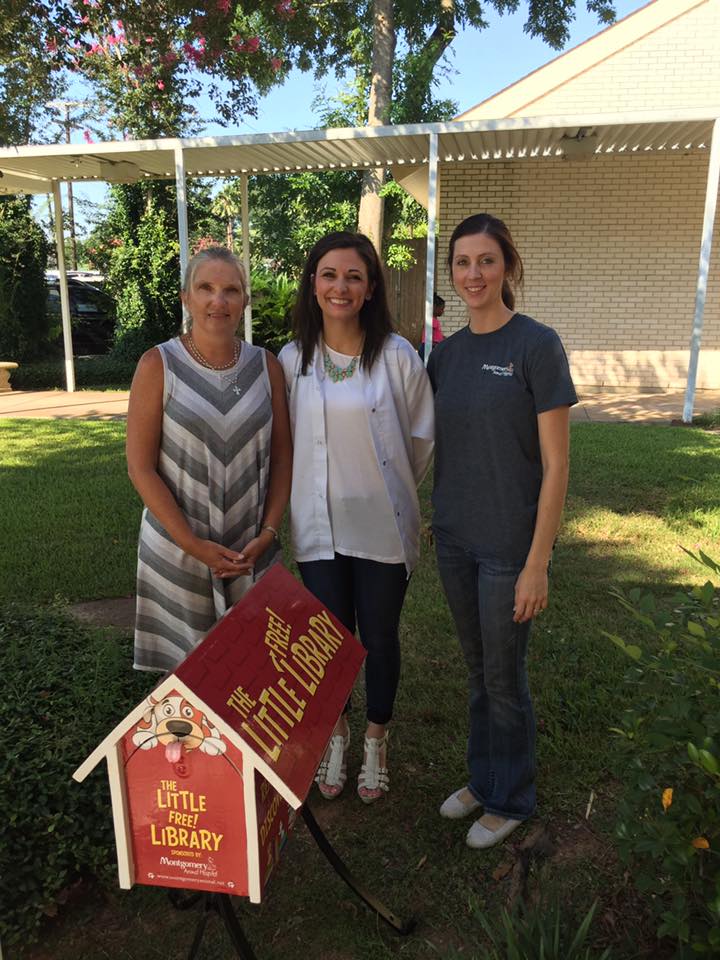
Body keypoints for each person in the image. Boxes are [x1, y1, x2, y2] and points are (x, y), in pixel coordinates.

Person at [427, 213, 577, 849]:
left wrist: (538, 561)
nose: (473, 274)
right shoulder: (446, 355)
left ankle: (511, 797)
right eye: (462, 262)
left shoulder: (536, 346)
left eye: (486, 261)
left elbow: (557, 464)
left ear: (508, 266)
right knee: (476, 669)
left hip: (509, 547)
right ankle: (485, 779)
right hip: (454, 539)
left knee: (504, 676)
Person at [278, 231, 434, 803]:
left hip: (382, 527)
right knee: (330, 639)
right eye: (328, 275)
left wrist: (384, 490)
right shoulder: (292, 360)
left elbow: (420, 437)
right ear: (312, 284)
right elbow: (286, 445)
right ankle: (338, 734)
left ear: (370, 288)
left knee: (379, 636)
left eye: (353, 276)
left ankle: (376, 738)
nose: (339, 286)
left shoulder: (396, 355)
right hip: (319, 529)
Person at [126, 246, 292, 673]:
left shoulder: (266, 366)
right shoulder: (157, 364)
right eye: (205, 288)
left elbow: (283, 456)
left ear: (245, 300)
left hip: (248, 550)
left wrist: (270, 532)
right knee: (186, 684)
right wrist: (193, 545)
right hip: (179, 550)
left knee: (251, 675)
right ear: (186, 297)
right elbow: (140, 468)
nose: (218, 301)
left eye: (231, 290)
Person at [418, 293, 445, 362]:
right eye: (441, 309)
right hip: (428, 347)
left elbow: (437, 335)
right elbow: (429, 336)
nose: (443, 311)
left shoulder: (434, 320)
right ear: (434, 307)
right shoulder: (431, 320)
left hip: (431, 346)